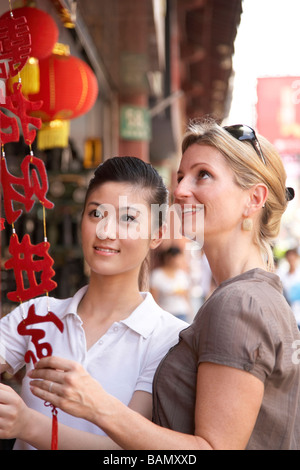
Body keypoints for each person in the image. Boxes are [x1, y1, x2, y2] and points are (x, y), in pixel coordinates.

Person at [29, 118, 300, 450]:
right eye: (181, 177)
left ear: (253, 199)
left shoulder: (240, 303)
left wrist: (99, 406)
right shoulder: (256, 296)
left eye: (204, 175)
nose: (181, 190)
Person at [0, 156, 188, 450]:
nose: (105, 231)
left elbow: (129, 448)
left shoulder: (168, 338)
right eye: (96, 213)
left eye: (128, 218)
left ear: (157, 235)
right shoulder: (37, 315)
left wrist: (28, 425)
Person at [150, 245, 192, 322]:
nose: (176, 261)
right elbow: (153, 298)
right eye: (174, 258)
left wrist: (190, 311)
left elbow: (187, 295)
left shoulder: (182, 275)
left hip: (182, 312)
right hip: (166, 313)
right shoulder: (157, 275)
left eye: (179, 258)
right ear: (168, 258)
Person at [277, 248, 300, 327]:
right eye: (289, 257)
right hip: (290, 315)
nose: (291, 260)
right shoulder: (283, 276)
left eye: (293, 257)